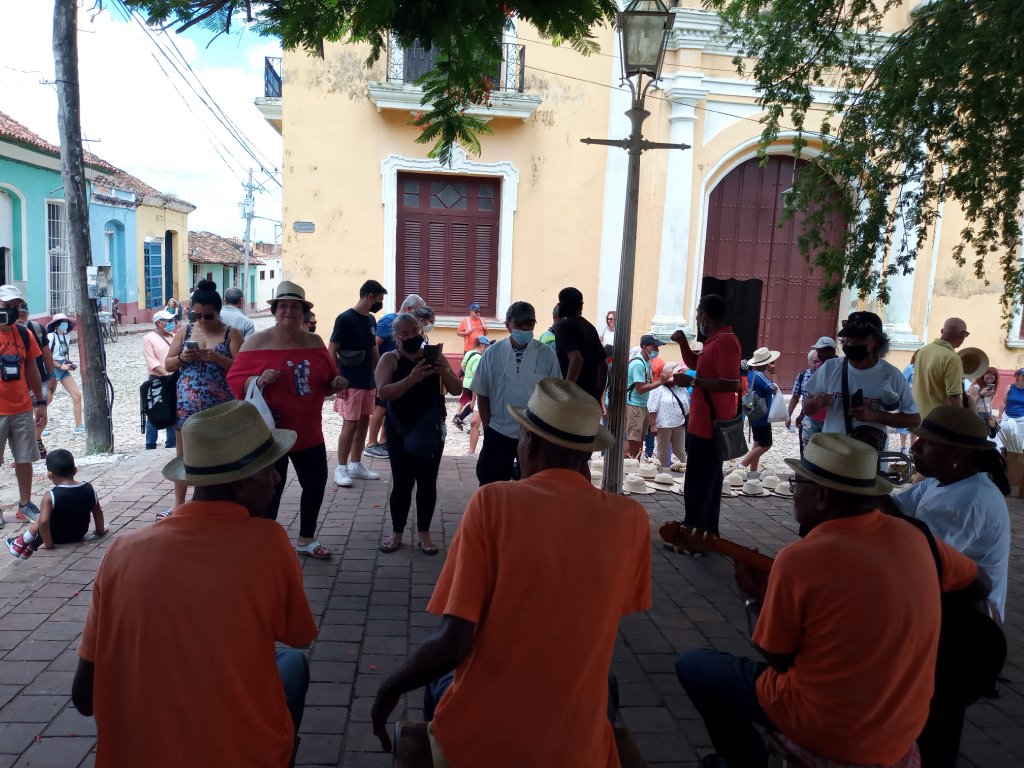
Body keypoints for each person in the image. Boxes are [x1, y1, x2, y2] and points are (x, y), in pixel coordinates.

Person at [371, 378, 651, 766]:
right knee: (605, 686)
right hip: (577, 749)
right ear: (585, 453)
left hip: (485, 743)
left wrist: (388, 688)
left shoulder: (494, 502)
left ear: (529, 444)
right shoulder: (632, 519)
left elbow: (452, 645)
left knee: (436, 683)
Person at [675, 433, 990, 768]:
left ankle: (743, 761)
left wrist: (753, 599)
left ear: (822, 496)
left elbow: (778, 659)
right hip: (904, 724)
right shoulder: (917, 538)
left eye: (799, 482)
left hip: (830, 729)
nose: (794, 493)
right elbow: (979, 583)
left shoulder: (800, 558)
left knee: (695, 666)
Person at [72, 401, 318, 768]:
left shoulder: (122, 550)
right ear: (238, 482)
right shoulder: (268, 542)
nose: (277, 479)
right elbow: (299, 635)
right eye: (267, 470)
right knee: (292, 664)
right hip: (242, 754)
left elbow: (83, 697)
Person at [228, 281, 348, 560]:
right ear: (274, 310)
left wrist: (337, 381)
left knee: (315, 484)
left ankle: (306, 538)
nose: (289, 311)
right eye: (284, 306)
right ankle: (265, 540)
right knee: (269, 489)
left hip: (308, 431)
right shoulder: (256, 341)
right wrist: (258, 380)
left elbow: (326, 381)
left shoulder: (314, 342)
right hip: (270, 433)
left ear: (304, 311)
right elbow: (234, 380)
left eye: (296, 306)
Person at [888, 406, 1010, 618]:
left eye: (928, 442)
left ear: (958, 453)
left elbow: (920, 562)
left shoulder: (967, 500)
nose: (915, 449)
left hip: (967, 620)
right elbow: (896, 508)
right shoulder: (940, 481)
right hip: (948, 600)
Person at [376, 313, 462, 554]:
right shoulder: (389, 359)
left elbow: (456, 389)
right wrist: (411, 379)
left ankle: (424, 533)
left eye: (414, 330)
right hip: (400, 430)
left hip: (431, 430)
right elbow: (383, 393)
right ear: (396, 336)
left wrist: (441, 370)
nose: (411, 336)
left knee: (427, 483)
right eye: (404, 333)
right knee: (402, 483)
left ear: (422, 330)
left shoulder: (434, 355)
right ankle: (396, 532)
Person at [164, 280, 243, 514]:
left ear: (218, 312)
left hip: (220, 407)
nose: (201, 321)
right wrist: (183, 359)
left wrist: (217, 358)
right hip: (186, 405)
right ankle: (179, 506)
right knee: (184, 456)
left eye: (207, 316)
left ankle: (219, 502)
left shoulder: (231, 333)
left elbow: (241, 369)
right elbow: (168, 364)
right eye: (196, 315)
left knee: (219, 454)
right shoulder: (185, 331)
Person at [671, 294, 742, 536]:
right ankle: (700, 528)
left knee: (702, 481)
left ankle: (698, 529)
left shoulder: (726, 341)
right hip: (701, 422)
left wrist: (693, 381)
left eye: (699, 314)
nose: (698, 319)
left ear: (706, 315)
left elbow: (731, 383)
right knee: (701, 478)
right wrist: (682, 343)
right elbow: (697, 364)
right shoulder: (713, 340)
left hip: (712, 425)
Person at [470, 301, 562, 485]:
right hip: (499, 431)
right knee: (491, 485)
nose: (524, 328)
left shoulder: (546, 354)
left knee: (533, 487)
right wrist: (488, 427)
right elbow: (483, 392)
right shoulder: (493, 353)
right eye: (519, 324)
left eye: (529, 324)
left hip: (534, 434)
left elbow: (554, 394)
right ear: (508, 325)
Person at [803, 311, 920, 450]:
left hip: (870, 463)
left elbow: (914, 420)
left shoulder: (892, 375)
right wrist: (815, 402)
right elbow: (807, 409)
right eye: (848, 336)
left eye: (859, 337)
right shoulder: (829, 368)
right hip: (831, 458)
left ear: (877, 341)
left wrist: (875, 415)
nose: (851, 341)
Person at [328, 279, 388, 487]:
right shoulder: (344, 319)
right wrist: (336, 377)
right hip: (350, 382)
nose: (379, 303)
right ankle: (341, 468)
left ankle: (356, 464)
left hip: (368, 381)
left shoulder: (371, 320)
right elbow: (332, 347)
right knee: (350, 424)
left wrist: (380, 375)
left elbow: (373, 349)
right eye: (379, 299)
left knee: (363, 423)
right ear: (370, 296)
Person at [0, 286, 46, 526]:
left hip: (21, 407)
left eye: (15, 306)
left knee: (24, 458)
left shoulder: (24, 334)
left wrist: (41, 401)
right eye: (6, 306)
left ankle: (24, 504)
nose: (11, 310)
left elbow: (32, 369)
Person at [6, 449, 105, 559]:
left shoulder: (50, 496)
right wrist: (100, 530)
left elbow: (43, 522)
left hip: (57, 538)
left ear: (50, 475)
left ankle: (22, 542)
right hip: (79, 533)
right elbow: (98, 511)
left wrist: (48, 544)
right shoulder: (89, 488)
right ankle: (22, 544)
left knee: (43, 516)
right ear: (75, 470)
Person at [366, 294, 427, 459]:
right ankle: (371, 444)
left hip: (397, 372)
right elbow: (374, 345)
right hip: (385, 370)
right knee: (380, 407)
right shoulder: (389, 321)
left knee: (388, 408)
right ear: (410, 309)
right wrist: (376, 369)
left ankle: (384, 442)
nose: (421, 318)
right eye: (419, 313)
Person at [554, 287, 608, 404]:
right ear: (581, 305)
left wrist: (566, 394)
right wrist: (597, 396)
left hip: (572, 402)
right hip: (588, 401)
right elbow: (603, 365)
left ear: (560, 305)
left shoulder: (563, 327)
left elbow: (576, 360)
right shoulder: (590, 327)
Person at [17, 303, 56, 459]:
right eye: (17, 314)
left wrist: (53, 376)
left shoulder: (37, 329)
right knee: (21, 418)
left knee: (41, 414)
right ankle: (24, 450)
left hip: (39, 378)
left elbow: (46, 354)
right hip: (16, 383)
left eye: (23, 314)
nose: (20, 318)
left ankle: (36, 439)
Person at [913, 317, 970, 418]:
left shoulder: (923, 350)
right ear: (962, 335)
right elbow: (954, 397)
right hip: (940, 422)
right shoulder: (952, 358)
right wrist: (962, 422)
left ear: (942, 331)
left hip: (920, 419)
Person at [624, 335, 670, 458]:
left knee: (639, 439)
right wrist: (660, 381)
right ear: (645, 347)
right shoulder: (638, 364)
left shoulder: (647, 363)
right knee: (632, 439)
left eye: (657, 347)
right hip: (634, 405)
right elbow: (640, 389)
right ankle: (627, 467)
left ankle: (635, 466)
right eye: (654, 347)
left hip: (642, 405)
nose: (657, 350)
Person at [739, 347, 780, 477]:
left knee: (757, 443)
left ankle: (753, 472)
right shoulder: (760, 376)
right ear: (764, 363)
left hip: (754, 414)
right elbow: (775, 390)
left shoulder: (750, 375)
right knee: (766, 444)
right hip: (763, 415)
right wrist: (773, 373)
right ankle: (741, 466)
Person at [142, 310, 178, 450]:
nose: (171, 323)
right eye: (167, 321)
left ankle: (172, 442)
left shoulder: (175, 337)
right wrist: (166, 375)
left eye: (172, 321)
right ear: (158, 323)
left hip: (173, 378)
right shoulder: (148, 338)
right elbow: (152, 362)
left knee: (172, 409)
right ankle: (150, 444)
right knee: (154, 410)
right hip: (157, 379)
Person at [45, 313, 84, 435]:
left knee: (77, 396)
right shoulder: (50, 336)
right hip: (53, 369)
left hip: (64, 368)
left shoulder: (67, 337)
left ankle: (79, 426)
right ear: (56, 325)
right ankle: (40, 424)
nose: (65, 324)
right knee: (47, 399)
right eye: (62, 322)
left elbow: (63, 354)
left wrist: (67, 364)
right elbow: (46, 356)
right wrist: (60, 366)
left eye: (66, 322)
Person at [646, 363, 688, 467]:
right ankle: (663, 474)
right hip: (664, 425)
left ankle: (685, 471)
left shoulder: (682, 388)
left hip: (680, 423)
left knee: (680, 451)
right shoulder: (658, 388)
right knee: (663, 452)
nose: (679, 374)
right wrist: (653, 425)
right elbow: (652, 408)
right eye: (676, 372)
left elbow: (687, 405)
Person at [453, 336, 490, 431]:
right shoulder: (478, 357)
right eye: (486, 347)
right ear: (482, 345)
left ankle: (460, 419)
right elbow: (476, 373)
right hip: (473, 385)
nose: (485, 349)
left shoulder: (469, 353)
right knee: (474, 404)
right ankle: (465, 423)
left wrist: (467, 374)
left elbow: (462, 365)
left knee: (469, 403)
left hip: (466, 382)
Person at [967, 366, 999, 433]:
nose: (989, 380)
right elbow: (970, 404)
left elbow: (988, 404)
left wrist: (990, 395)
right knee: (978, 434)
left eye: (992, 379)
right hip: (978, 413)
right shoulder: (976, 387)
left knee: (986, 434)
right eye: (987, 378)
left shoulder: (990, 387)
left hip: (988, 414)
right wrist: (981, 395)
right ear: (982, 376)